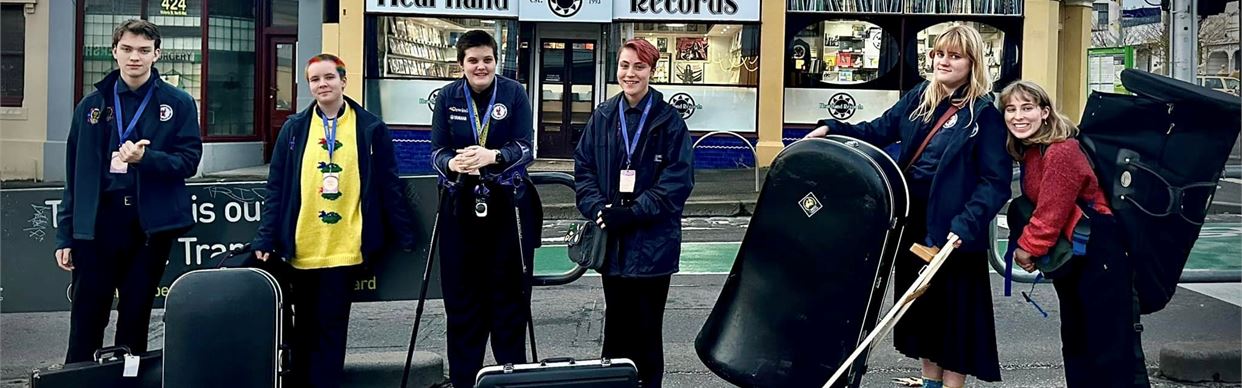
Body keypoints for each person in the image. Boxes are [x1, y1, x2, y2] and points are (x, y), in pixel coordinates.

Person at [804, 24, 1011, 387]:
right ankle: (929, 383)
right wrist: (831, 127)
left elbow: (994, 183)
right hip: (913, 226)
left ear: (973, 62)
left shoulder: (984, 115)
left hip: (953, 233)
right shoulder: (919, 98)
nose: (944, 61)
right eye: (939, 54)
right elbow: (877, 130)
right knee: (923, 316)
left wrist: (966, 224)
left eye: (955, 55)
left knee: (954, 323)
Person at [251, 53, 415, 387]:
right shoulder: (294, 129)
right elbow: (277, 188)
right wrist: (266, 237)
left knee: (331, 330)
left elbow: (388, 183)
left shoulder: (370, 127)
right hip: (301, 248)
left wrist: (404, 232)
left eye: (329, 77)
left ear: (343, 80)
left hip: (345, 248)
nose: (322, 84)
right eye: (315, 79)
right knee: (301, 334)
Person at [55, 19, 202, 364]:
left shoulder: (177, 103)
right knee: (87, 316)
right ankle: (77, 380)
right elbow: (74, 175)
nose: (134, 57)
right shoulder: (91, 106)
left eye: (143, 50)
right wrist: (65, 235)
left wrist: (146, 158)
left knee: (135, 316)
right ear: (114, 52)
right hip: (98, 223)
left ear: (157, 54)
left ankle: (128, 381)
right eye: (127, 49)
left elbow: (188, 161)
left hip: (147, 225)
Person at [1001, 80, 1149, 387]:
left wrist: (1027, 248)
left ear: (1045, 112)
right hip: (1078, 251)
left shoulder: (1060, 150)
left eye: (1027, 108)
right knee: (1078, 339)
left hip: (1099, 251)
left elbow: (1051, 211)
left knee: (1107, 346)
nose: (1018, 116)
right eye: (1011, 109)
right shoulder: (1031, 151)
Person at [573, 38, 695, 388]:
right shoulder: (604, 115)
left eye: (639, 67)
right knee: (616, 331)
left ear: (651, 71)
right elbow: (584, 169)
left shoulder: (669, 121)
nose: (630, 73)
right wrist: (598, 208)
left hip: (653, 245)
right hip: (613, 242)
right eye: (625, 66)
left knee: (646, 333)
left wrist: (633, 212)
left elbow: (678, 181)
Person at [429, 30, 542, 388]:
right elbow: (436, 152)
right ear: (461, 64)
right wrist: (453, 164)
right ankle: (465, 381)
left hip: (506, 208)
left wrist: (493, 156)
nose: (481, 67)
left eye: (487, 60)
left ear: (496, 61)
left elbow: (527, 148)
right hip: (459, 208)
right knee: (462, 304)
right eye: (473, 60)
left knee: (509, 304)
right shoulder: (447, 97)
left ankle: (512, 381)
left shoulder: (514, 93)